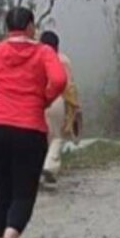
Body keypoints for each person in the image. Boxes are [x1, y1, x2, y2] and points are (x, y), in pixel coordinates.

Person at [0, 7, 67, 238]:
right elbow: (59, 80)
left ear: (7, 28)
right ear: (30, 27)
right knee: (23, 194)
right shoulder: (43, 51)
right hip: (29, 130)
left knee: (1, 194)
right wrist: (44, 99)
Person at [39, 31, 82, 184]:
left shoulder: (36, 58)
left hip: (38, 101)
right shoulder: (63, 60)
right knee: (57, 136)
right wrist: (75, 107)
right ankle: (50, 166)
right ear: (57, 46)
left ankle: (37, 169)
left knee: (41, 136)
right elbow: (70, 85)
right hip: (58, 101)